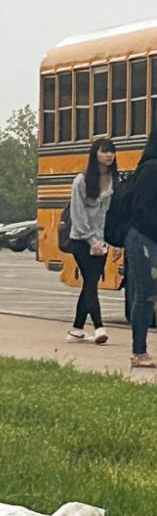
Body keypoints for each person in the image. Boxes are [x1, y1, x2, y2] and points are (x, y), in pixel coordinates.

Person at [65, 136, 116, 346]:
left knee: (89, 283)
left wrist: (110, 241)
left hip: (101, 241)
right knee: (92, 282)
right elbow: (78, 215)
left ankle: (76, 329)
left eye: (111, 151)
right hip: (81, 241)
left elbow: (111, 214)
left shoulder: (114, 180)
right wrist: (90, 239)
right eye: (104, 151)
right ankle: (99, 327)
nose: (109, 155)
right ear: (95, 154)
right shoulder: (81, 181)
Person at [122, 131, 157, 372]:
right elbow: (142, 210)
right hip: (144, 238)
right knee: (145, 295)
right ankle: (139, 351)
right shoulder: (151, 169)